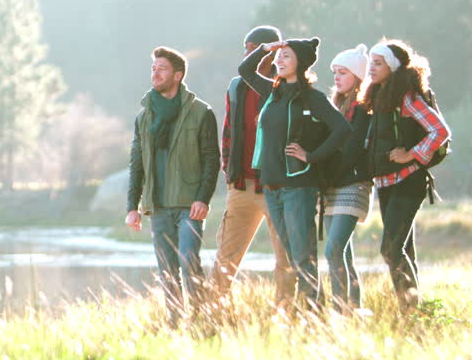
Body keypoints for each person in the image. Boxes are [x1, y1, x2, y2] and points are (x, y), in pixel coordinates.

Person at [238, 37, 350, 308]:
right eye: (280, 56)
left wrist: (311, 156)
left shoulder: (313, 97)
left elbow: (343, 129)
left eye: (286, 56)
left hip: (299, 187)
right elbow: (245, 71)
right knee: (293, 256)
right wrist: (267, 49)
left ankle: (315, 311)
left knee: (302, 256)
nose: (280, 60)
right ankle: (313, 308)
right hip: (273, 187)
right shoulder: (273, 93)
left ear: (301, 63)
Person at [126, 46, 220, 321]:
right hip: (158, 206)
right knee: (166, 270)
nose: (155, 72)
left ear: (177, 76)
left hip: (189, 204)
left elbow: (211, 160)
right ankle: (175, 323)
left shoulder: (201, 112)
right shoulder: (144, 117)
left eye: (162, 68)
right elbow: (137, 165)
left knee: (189, 262)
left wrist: (203, 198)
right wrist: (133, 206)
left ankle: (202, 321)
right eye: (153, 68)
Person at [361, 40, 451, 310]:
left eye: (378, 63)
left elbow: (440, 130)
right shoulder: (380, 96)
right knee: (402, 250)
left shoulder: (407, 98)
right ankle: (414, 310)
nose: (372, 68)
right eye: (371, 63)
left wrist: (410, 154)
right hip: (386, 183)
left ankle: (410, 310)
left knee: (390, 249)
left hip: (409, 181)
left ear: (393, 66)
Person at [212, 26, 295, 304]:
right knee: (224, 259)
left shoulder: (285, 86)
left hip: (276, 187)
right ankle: (215, 315)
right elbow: (228, 132)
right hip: (241, 187)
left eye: (253, 48)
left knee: (285, 259)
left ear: (270, 52)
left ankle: (286, 313)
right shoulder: (236, 87)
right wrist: (229, 171)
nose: (247, 53)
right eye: (246, 48)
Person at [321, 44, 374, 311]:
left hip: (353, 183)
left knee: (333, 250)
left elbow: (353, 150)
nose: (337, 78)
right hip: (332, 185)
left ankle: (339, 308)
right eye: (335, 73)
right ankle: (353, 310)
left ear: (357, 76)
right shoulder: (335, 106)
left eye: (343, 73)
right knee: (343, 253)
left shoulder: (363, 108)